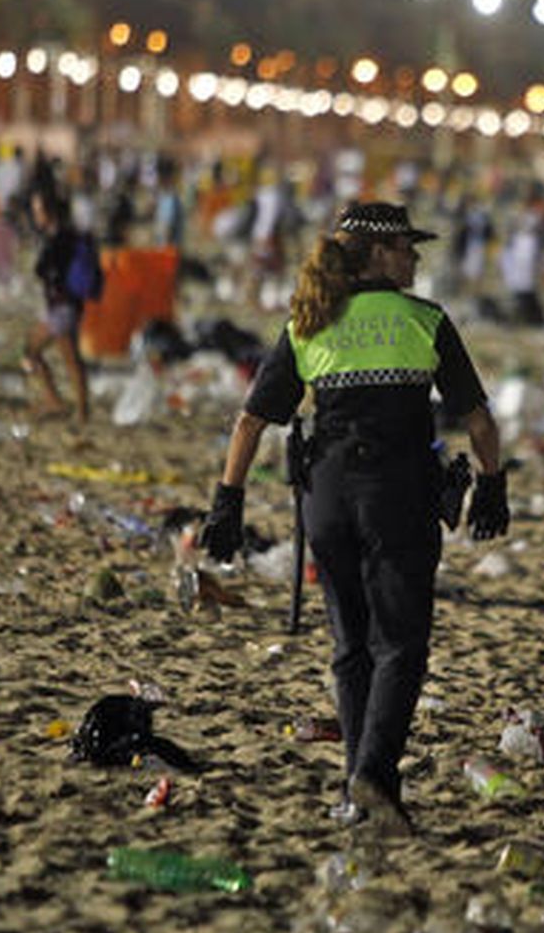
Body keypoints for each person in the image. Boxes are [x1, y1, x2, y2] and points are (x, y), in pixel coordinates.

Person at [198, 202, 508, 836]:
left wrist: (227, 501)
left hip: (328, 497)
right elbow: (477, 419)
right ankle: (373, 774)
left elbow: (252, 420)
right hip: (396, 494)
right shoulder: (424, 320)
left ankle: (358, 790)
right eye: (405, 248)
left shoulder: (309, 323)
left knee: (351, 646)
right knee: (401, 644)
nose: (415, 259)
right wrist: (493, 483)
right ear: (376, 254)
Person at [23, 189, 91, 423]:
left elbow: (49, 270)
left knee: (70, 359)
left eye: (38, 211)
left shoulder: (61, 237)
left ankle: (79, 411)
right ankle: (56, 401)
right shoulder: (59, 235)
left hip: (64, 306)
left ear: (49, 212)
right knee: (33, 349)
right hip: (60, 306)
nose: (35, 216)